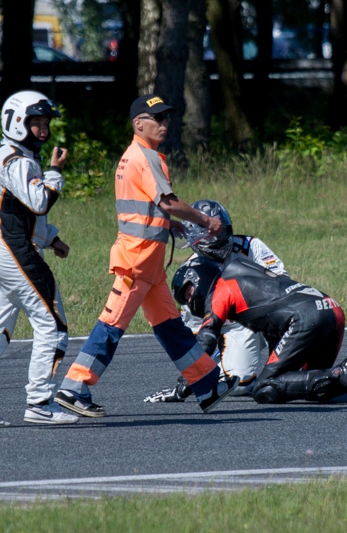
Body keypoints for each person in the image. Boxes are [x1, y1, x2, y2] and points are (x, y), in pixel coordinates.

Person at [54, 94, 239, 417]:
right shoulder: (146, 157)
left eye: (166, 118)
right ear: (139, 124)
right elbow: (167, 201)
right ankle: (75, 386)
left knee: (171, 326)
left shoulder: (133, 156)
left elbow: (147, 208)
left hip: (148, 264)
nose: (164, 124)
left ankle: (207, 384)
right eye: (158, 118)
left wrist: (169, 225)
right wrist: (204, 220)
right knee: (111, 325)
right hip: (137, 262)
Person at [0, 90, 78, 427]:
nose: (43, 130)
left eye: (45, 123)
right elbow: (39, 201)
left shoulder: (6, 155)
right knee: (53, 326)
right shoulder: (18, 160)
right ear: (16, 123)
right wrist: (55, 172)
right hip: (15, 254)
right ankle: (39, 402)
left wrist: (51, 239)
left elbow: (17, 212)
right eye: (36, 122)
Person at [171, 256, 347, 405]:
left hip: (306, 317)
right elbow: (274, 328)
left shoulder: (221, 290)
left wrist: (189, 377)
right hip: (330, 309)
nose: (190, 300)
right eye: (184, 298)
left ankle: (342, 371)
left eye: (188, 292)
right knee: (317, 388)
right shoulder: (244, 276)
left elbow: (207, 338)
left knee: (264, 389)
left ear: (200, 277)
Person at [144, 199, 286, 402]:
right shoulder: (192, 273)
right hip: (229, 329)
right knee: (239, 383)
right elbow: (195, 329)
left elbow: (282, 282)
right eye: (209, 232)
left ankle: (289, 362)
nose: (217, 237)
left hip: (264, 314)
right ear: (195, 237)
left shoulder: (250, 246)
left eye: (219, 229)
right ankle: (226, 368)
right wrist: (194, 376)